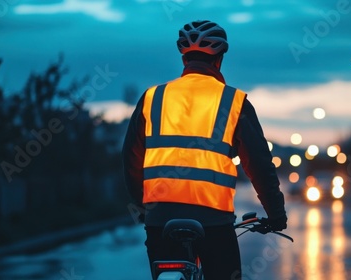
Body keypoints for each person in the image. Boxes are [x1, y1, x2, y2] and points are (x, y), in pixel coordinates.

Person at [123, 20, 288, 280]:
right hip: (214, 222)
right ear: (219, 60)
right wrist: (276, 214)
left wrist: (143, 208)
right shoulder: (234, 101)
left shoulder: (152, 98)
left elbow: (131, 157)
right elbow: (258, 164)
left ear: (184, 59)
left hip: (160, 220)